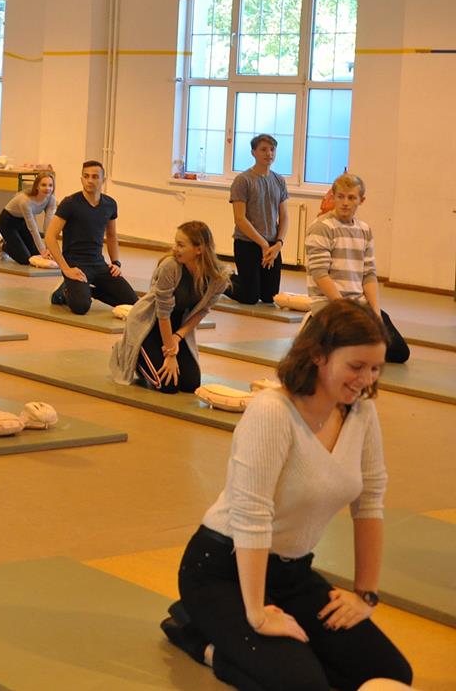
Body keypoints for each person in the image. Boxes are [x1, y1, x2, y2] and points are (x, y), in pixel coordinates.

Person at [160, 300, 413, 691]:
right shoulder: (272, 412)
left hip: (292, 574)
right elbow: (252, 516)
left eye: (375, 368)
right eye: (356, 366)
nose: (365, 380)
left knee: (390, 673)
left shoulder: (361, 412)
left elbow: (370, 503)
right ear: (318, 355)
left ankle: (251, 645)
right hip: (222, 572)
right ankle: (202, 639)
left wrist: (364, 595)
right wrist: (258, 613)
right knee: (303, 686)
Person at [109, 222, 228, 394]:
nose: (175, 248)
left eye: (181, 245)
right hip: (150, 325)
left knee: (190, 384)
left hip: (176, 327)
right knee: (167, 385)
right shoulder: (170, 266)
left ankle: (152, 354)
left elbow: (202, 311)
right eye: (175, 243)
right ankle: (131, 351)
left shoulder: (219, 278)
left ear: (199, 249)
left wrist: (177, 337)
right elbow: (163, 312)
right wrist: (170, 354)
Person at [304, 173, 409, 363]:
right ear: (333, 197)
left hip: (358, 304)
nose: (345, 203)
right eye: (340, 196)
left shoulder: (364, 229)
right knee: (349, 353)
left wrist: (375, 312)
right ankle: (313, 328)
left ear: (361, 200)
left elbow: (369, 274)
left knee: (398, 352)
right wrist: (345, 308)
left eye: (351, 198)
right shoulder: (321, 227)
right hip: (331, 304)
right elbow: (320, 274)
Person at [46, 160, 138, 316]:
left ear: (103, 179)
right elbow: (50, 236)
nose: (90, 180)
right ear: (81, 178)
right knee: (81, 307)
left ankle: (87, 290)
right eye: (86, 176)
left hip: (98, 264)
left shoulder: (110, 204)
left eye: (95, 177)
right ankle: (65, 291)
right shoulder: (70, 203)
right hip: (75, 264)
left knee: (132, 302)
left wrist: (116, 263)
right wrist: (66, 269)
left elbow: (111, 235)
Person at [228, 134, 289, 305]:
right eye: (263, 149)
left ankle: (249, 281)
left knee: (270, 297)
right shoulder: (243, 180)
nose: (269, 153)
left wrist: (278, 244)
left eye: (272, 149)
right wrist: (263, 244)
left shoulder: (279, 180)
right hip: (247, 243)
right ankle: (219, 277)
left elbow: (284, 216)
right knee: (250, 297)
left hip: (272, 246)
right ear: (253, 152)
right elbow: (240, 219)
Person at [0, 171, 56, 266]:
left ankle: (14, 243)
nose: (47, 188)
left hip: (22, 222)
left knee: (35, 254)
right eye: (43, 185)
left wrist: (48, 249)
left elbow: (48, 225)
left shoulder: (51, 199)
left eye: (50, 185)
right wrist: (43, 250)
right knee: (25, 259)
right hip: (8, 222)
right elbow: (33, 228)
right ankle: (1, 244)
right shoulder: (25, 201)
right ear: (37, 186)